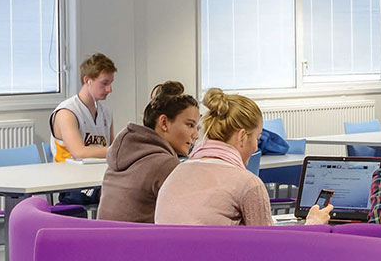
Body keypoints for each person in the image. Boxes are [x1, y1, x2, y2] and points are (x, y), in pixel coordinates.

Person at [155, 89, 273, 226]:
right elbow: (266, 238)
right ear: (242, 136)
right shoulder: (248, 183)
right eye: (257, 138)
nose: (256, 147)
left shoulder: (175, 173)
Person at [96, 81, 199, 223]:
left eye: (197, 127)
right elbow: (190, 217)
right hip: (138, 238)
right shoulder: (165, 164)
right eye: (190, 125)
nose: (196, 135)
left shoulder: (122, 155)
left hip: (106, 236)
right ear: (164, 123)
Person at [51, 54, 116, 161]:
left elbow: (113, 149)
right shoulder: (66, 112)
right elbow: (79, 153)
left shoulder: (106, 112)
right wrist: (117, 150)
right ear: (87, 80)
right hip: (69, 170)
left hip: (99, 169)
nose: (109, 89)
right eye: (104, 83)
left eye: (110, 83)